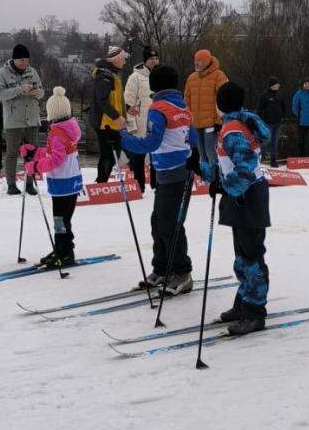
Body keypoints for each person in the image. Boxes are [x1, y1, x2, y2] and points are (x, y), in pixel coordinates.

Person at [200, 82, 272, 337]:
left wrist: (226, 188)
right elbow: (227, 166)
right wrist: (204, 172)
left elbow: (245, 166)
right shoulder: (235, 125)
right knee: (242, 254)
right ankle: (244, 302)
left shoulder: (232, 131)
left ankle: (255, 312)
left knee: (251, 255)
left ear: (220, 104)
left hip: (247, 198)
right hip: (244, 197)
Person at [120, 64, 196, 295]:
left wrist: (122, 139)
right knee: (159, 221)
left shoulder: (158, 108)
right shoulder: (182, 105)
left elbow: (151, 143)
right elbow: (192, 137)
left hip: (173, 172)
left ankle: (182, 272)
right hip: (176, 170)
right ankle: (162, 267)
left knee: (169, 224)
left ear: (154, 84)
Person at [24, 87, 84, 268]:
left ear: (52, 111)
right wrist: (36, 153)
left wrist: (35, 166)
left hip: (62, 182)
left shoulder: (57, 133)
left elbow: (57, 160)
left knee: (60, 220)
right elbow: (54, 153)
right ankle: (62, 248)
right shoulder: (70, 127)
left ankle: (65, 252)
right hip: (71, 180)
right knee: (63, 219)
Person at [0, 44, 43, 196]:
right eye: (21, 60)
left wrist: (37, 92)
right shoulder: (1, 73)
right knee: (12, 153)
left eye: (26, 60)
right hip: (13, 121)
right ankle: (11, 184)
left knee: (32, 153)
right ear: (14, 59)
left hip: (32, 119)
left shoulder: (32, 71)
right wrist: (20, 89)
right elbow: (0, 95)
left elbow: (42, 92)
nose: (24, 63)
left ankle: (30, 183)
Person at [123, 46, 160, 191]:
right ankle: (138, 186)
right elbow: (128, 100)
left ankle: (156, 184)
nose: (155, 61)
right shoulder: (135, 77)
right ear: (145, 61)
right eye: (151, 59)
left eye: (156, 58)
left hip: (156, 122)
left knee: (156, 155)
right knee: (138, 156)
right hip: (140, 123)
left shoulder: (160, 76)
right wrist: (131, 123)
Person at [184, 48, 229, 168]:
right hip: (196, 123)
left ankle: (216, 178)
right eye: (195, 60)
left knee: (210, 151)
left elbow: (225, 98)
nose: (196, 63)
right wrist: (187, 118)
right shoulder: (191, 77)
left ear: (207, 61)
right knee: (201, 154)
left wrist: (220, 121)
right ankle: (206, 177)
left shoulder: (219, 76)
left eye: (200, 61)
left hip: (211, 123)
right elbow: (187, 100)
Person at [90, 45, 127, 183]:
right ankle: (101, 182)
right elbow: (102, 100)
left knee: (111, 154)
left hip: (111, 121)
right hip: (105, 122)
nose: (124, 62)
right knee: (109, 155)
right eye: (122, 59)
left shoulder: (112, 74)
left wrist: (126, 110)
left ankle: (101, 180)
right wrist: (116, 116)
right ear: (115, 60)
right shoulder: (105, 76)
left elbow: (115, 99)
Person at [256, 77, 285, 167]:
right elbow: (260, 109)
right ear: (272, 85)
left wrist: (282, 116)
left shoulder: (279, 95)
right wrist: (262, 120)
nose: (278, 85)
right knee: (265, 141)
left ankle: (273, 160)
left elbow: (283, 106)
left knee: (274, 142)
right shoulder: (264, 95)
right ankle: (259, 158)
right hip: (267, 123)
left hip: (278, 122)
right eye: (276, 84)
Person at [291, 78, 309, 155]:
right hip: (302, 121)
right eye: (305, 83)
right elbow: (294, 107)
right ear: (303, 85)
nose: (307, 85)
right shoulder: (298, 94)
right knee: (301, 141)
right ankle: (301, 157)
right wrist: (300, 115)